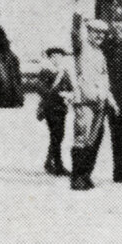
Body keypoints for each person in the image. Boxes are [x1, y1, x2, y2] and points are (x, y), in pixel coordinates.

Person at [89, 16, 122, 183]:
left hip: (121, 93)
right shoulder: (103, 45)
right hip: (105, 91)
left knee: (120, 135)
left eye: (120, 21)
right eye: (114, 21)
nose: (117, 24)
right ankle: (86, 173)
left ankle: (120, 173)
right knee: (96, 133)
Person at [66, 43, 114, 191]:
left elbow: (104, 78)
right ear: (89, 32)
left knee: (93, 139)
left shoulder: (100, 53)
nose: (99, 37)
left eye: (102, 34)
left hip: (99, 101)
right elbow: (75, 33)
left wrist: (110, 100)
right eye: (95, 33)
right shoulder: (81, 48)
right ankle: (77, 177)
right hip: (84, 102)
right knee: (81, 137)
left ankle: (86, 174)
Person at [36, 45, 74, 176]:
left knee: (58, 135)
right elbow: (41, 90)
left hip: (61, 108)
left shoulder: (63, 71)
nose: (57, 59)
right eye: (54, 57)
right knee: (57, 135)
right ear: (50, 58)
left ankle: (49, 162)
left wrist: (69, 95)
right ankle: (57, 166)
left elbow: (70, 87)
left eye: (60, 57)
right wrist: (59, 94)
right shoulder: (45, 71)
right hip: (49, 107)